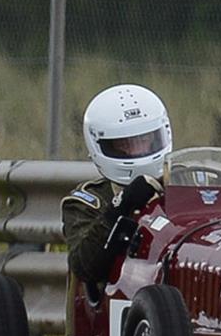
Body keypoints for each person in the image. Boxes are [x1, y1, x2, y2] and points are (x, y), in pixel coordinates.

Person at [62, 84, 173, 287]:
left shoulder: (181, 184)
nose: (138, 149)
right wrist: (121, 207)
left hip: (173, 288)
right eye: (125, 144)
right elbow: (85, 267)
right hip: (122, 295)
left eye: (145, 139)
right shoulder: (88, 202)